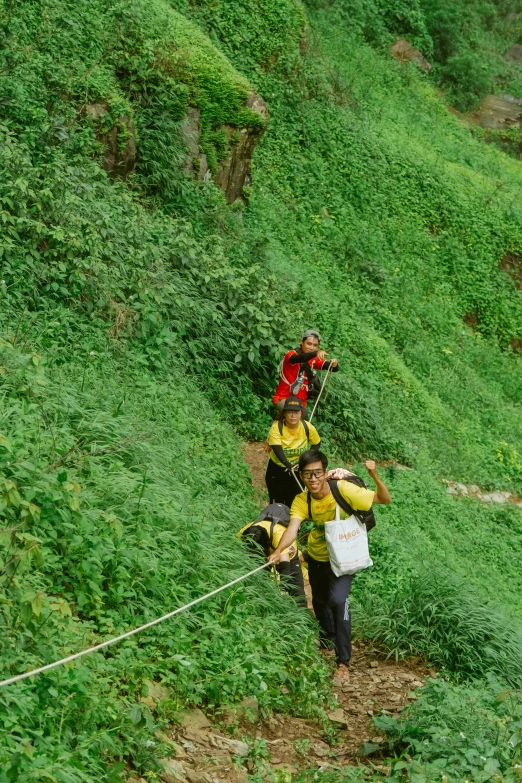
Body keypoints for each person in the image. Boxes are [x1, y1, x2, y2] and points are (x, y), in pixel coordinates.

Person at [268, 450, 391, 680]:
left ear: (325, 473)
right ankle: (327, 642)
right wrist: (278, 551)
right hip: (317, 556)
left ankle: (343, 662)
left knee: (338, 601)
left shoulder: (342, 489)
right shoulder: (301, 500)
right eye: (308, 475)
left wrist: (374, 475)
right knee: (320, 601)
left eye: (317, 474)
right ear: (302, 476)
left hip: (344, 557)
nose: (313, 480)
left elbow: (384, 499)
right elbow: (292, 530)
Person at [238, 503, 305, 601]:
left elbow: (285, 567)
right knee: (261, 582)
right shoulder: (246, 532)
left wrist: (283, 590)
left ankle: (301, 610)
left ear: (267, 543)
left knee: (297, 592)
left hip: (288, 555)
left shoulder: (280, 534)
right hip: (265, 555)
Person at [265, 396, 321, 508]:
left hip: (297, 469)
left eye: (296, 412)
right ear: (284, 413)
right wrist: (287, 464)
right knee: (277, 500)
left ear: (301, 413)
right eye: (289, 412)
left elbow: (316, 443)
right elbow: (276, 448)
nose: (293, 415)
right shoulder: (277, 427)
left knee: (294, 500)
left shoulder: (307, 427)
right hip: (278, 468)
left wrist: (306, 459)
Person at [273, 329, 339, 412]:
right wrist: (316, 353)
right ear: (302, 342)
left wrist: (334, 364)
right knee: (294, 412)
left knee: (302, 416)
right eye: (309, 344)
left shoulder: (314, 359)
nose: (312, 348)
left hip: (301, 403)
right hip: (284, 399)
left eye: (315, 345)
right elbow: (299, 358)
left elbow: (333, 368)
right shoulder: (291, 354)